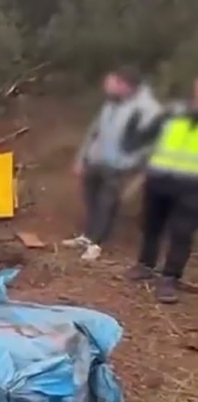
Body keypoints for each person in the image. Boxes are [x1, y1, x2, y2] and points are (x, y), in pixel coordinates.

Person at [63, 67, 163, 260]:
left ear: (124, 86)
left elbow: (153, 142)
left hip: (118, 166)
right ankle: (87, 236)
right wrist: (81, 158)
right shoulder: (111, 103)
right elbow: (94, 131)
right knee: (91, 200)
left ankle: (97, 243)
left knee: (107, 204)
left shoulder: (148, 109)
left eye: (111, 85)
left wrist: (135, 163)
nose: (106, 89)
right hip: (96, 161)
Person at [124, 79, 198, 303]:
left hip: (191, 187)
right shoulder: (173, 112)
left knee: (181, 234)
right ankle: (145, 264)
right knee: (150, 226)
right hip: (158, 179)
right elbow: (145, 137)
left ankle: (169, 278)